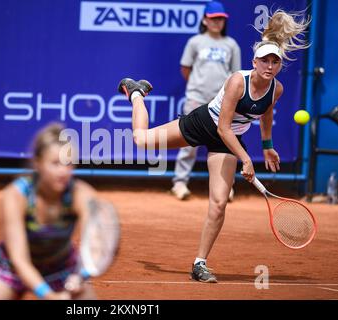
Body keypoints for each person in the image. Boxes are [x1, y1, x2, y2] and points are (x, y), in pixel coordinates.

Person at [118, 9, 309, 283]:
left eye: (274, 62)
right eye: (264, 61)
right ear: (254, 62)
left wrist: (266, 145)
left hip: (229, 142)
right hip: (205, 123)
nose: (269, 66)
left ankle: (199, 263)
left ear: (279, 66)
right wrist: (246, 158)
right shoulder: (236, 82)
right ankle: (136, 93)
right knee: (141, 140)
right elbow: (222, 127)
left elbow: (266, 112)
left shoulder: (276, 89)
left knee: (219, 203)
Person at [0, 123, 105, 299]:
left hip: (62, 267)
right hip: (11, 268)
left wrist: (77, 278)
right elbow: (20, 260)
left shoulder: (83, 195)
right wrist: (49, 295)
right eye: (55, 163)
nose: (63, 171)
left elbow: (93, 249)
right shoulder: (15, 196)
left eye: (68, 163)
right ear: (38, 163)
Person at [172, 0, 241, 201]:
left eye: (220, 19)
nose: (217, 22)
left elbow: (236, 76)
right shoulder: (195, 42)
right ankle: (180, 183)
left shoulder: (231, 45)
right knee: (187, 143)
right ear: (205, 19)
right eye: (213, 18)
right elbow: (186, 68)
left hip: (222, 103)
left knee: (225, 143)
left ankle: (226, 187)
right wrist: (197, 87)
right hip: (196, 98)